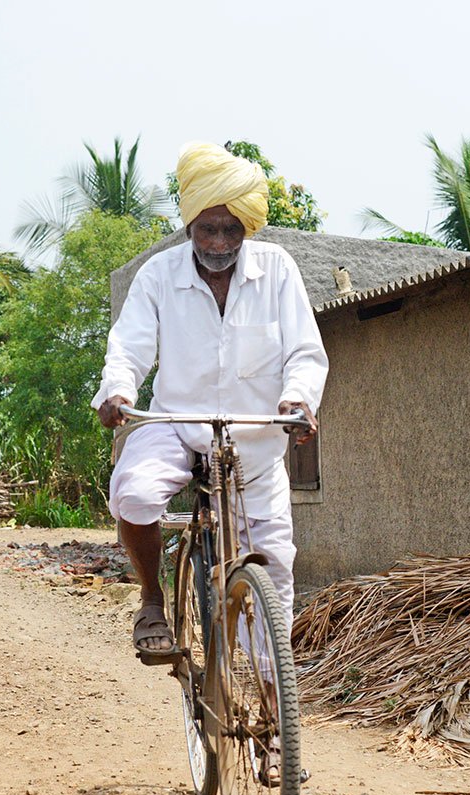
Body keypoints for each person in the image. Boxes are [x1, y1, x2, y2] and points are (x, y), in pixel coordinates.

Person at [93, 141, 329, 663]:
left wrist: (298, 400)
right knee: (132, 492)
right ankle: (153, 599)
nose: (220, 242)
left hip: (255, 444)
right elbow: (129, 346)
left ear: (247, 226)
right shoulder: (158, 275)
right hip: (176, 424)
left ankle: (271, 707)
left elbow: (306, 353)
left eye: (231, 229)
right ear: (188, 226)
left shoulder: (278, 270)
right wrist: (119, 392)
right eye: (208, 229)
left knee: (276, 575)